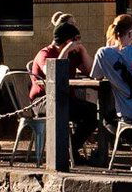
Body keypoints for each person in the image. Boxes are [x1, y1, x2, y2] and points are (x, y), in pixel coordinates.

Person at [28, 16, 98, 144]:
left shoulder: (73, 54)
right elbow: (52, 74)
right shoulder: (45, 53)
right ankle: (67, 150)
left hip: (64, 98)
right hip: (43, 100)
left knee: (91, 112)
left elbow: (91, 72)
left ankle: (72, 148)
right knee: (65, 108)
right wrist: (66, 50)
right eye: (77, 40)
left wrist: (82, 51)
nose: (79, 42)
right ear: (68, 41)